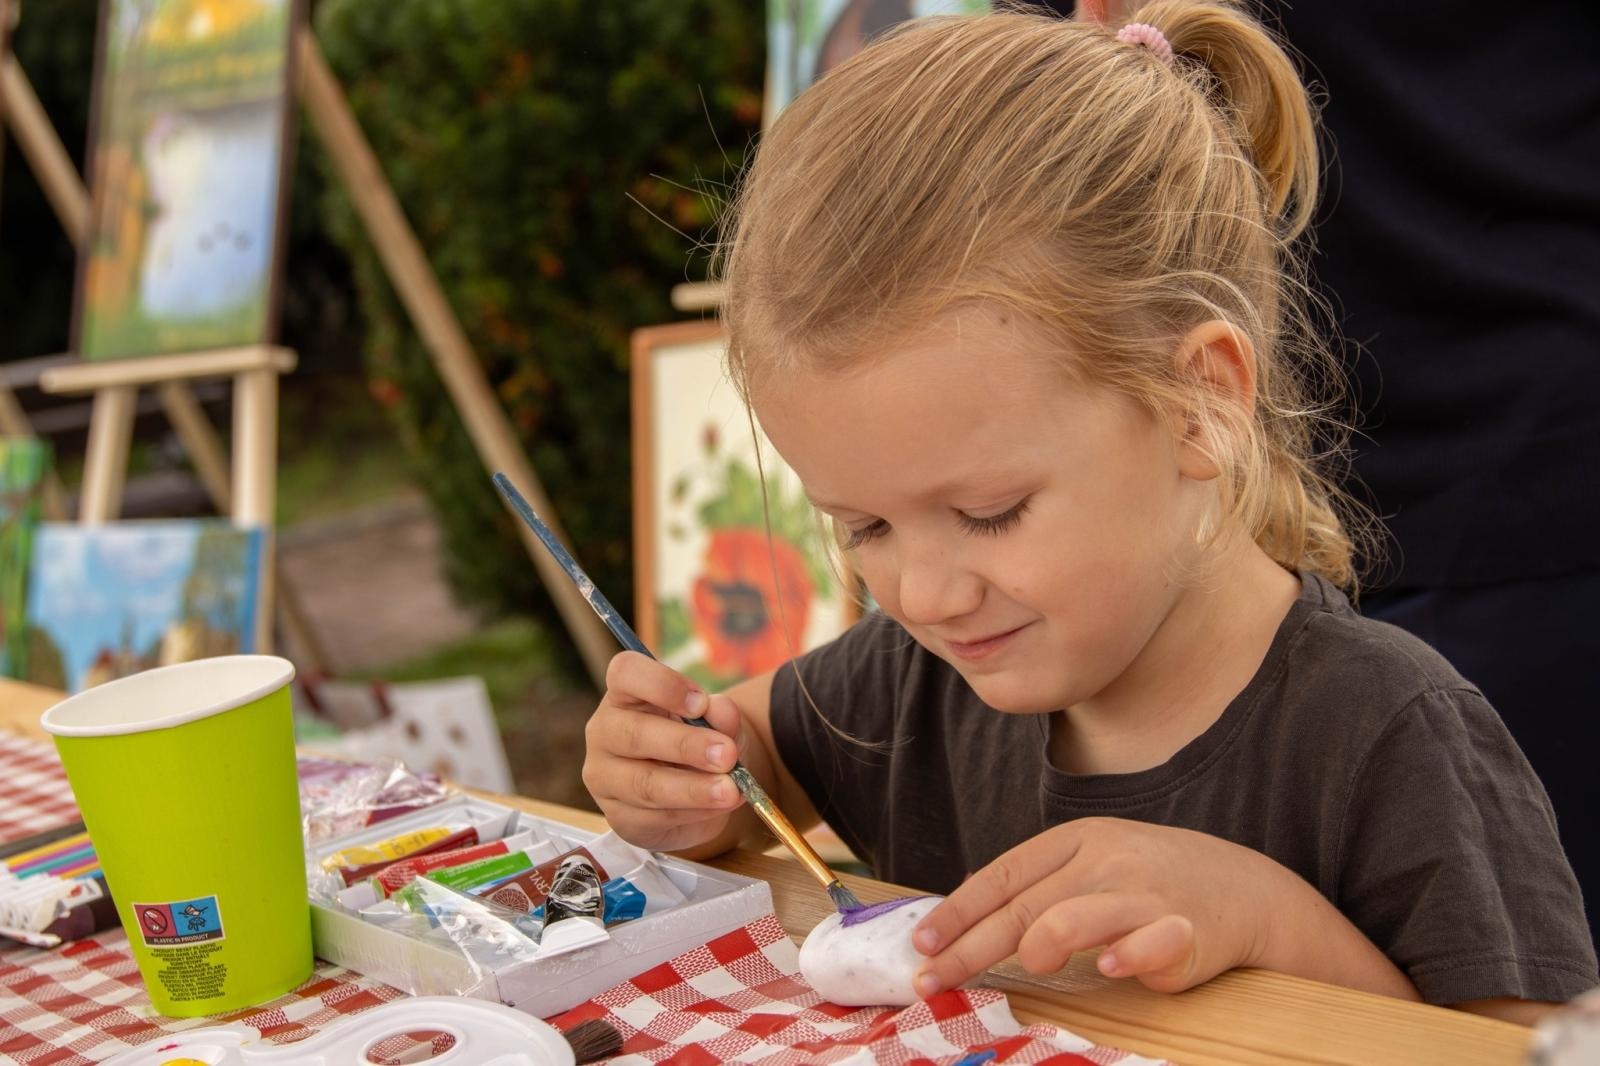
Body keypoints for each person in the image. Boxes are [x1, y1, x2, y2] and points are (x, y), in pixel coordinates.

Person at [584, 2, 1598, 1022]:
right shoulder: (914, 682)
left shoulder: (1391, 736)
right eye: (866, 528)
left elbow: (1520, 1048)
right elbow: (746, 763)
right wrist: (683, 784)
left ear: (1199, 401)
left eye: (988, 512)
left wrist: (1265, 919)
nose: (925, 594)